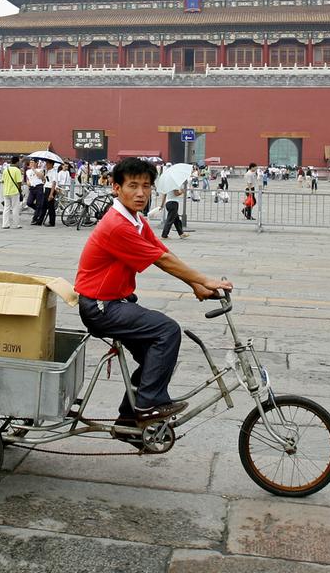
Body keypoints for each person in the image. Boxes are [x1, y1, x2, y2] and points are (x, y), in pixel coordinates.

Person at [75, 158, 233, 428]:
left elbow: (161, 249)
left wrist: (195, 284)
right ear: (116, 188)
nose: (141, 193)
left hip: (116, 301)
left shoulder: (135, 219)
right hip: (100, 307)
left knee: (154, 355)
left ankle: (128, 419)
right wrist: (205, 279)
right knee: (167, 331)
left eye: (146, 186)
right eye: (133, 186)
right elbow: (161, 260)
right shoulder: (117, 225)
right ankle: (147, 405)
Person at [1, 155, 23, 230]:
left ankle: (5, 224)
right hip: (14, 192)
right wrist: (20, 190)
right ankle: (16, 224)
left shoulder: (5, 170)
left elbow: (3, 181)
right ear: (17, 162)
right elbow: (19, 182)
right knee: (15, 208)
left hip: (6, 192)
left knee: (6, 208)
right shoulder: (17, 170)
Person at [36, 161, 58, 227]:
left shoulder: (54, 172)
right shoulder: (47, 171)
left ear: (51, 164)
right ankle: (40, 221)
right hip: (46, 189)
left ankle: (52, 222)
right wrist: (43, 178)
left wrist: (51, 194)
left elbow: (54, 183)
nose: (46, 165)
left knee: (50, 207)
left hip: (50, 190)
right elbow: (46, 180)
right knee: (44, 206)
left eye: (47, 163)